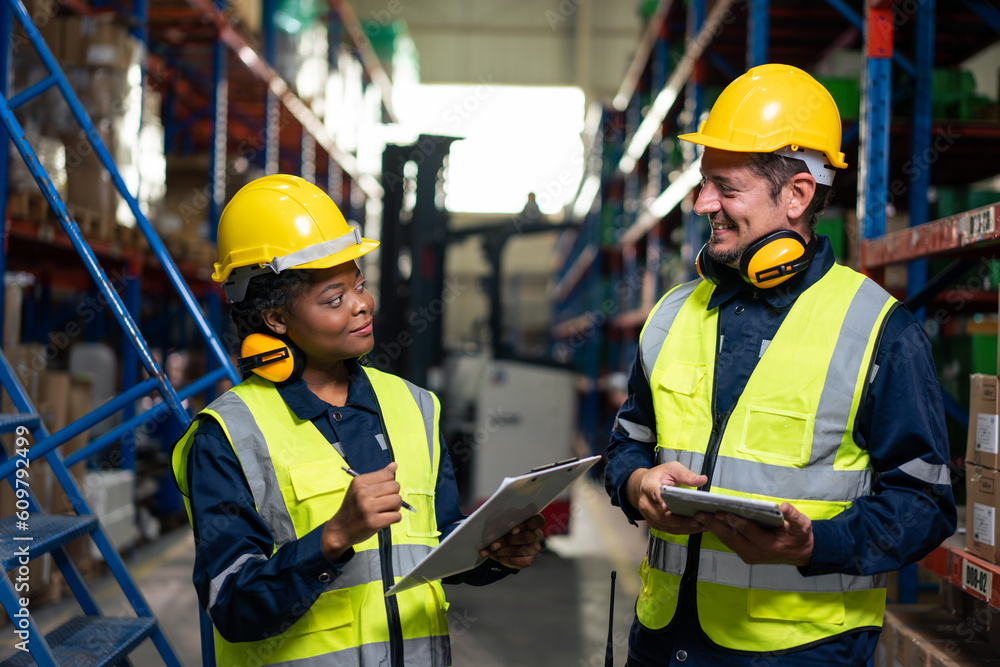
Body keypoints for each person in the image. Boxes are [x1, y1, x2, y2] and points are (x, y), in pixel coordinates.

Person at [604, 64, 956, 666]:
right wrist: (638, 484)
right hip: (663, 641)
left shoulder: (877, 330)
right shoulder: (670, 316)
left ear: (796, 195)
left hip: (801, 652)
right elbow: (625, 445)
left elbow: (925, 504)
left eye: (725, 186)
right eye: (703, 182)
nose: (701, 203)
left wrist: (815, 542)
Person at [171, 174, 544, 667]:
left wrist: (491, 553)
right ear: (276, 319)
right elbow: (234, 608)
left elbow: (439, 549)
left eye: (360, 285)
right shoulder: (228, 436)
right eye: (333, 298)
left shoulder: (413, 406)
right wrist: (333, 537)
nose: (362, 305)